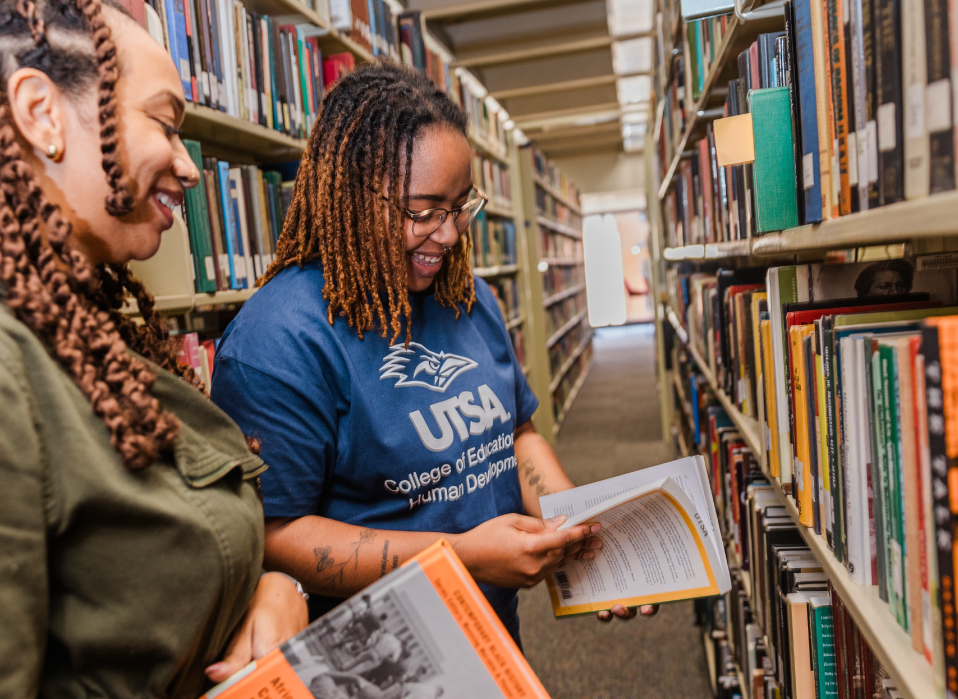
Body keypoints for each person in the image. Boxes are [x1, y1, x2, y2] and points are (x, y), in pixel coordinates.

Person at [0, 2, 480, 699]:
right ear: (42, 114)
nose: (189, 165)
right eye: (165, 123)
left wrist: (273, 585)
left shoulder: (80, 322)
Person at [210, 63, 656, 634]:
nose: (447, 235)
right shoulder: (279, 341)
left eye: (461, 207)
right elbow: (276, 533)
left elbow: (515, 432)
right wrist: (461, 556)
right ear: (352, 198)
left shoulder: (468, 297)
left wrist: (572, 527)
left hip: (491, 629)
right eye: (422, 211)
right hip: (382, 662)